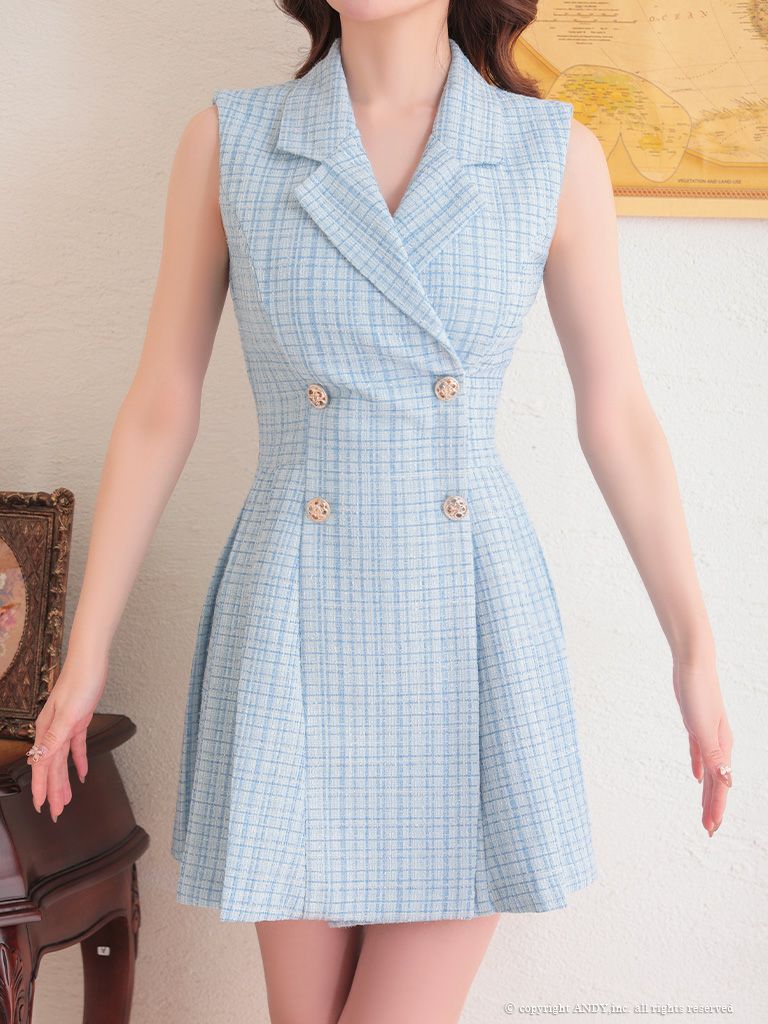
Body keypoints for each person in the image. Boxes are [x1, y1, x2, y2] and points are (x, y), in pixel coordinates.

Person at [25, 2, 734, 1022]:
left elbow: (616, 413)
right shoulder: (232, 140)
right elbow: (160, 407)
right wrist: (84, 652)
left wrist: (693, 647)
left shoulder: (548, 153)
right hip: (294, 618)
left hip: (464, 625)